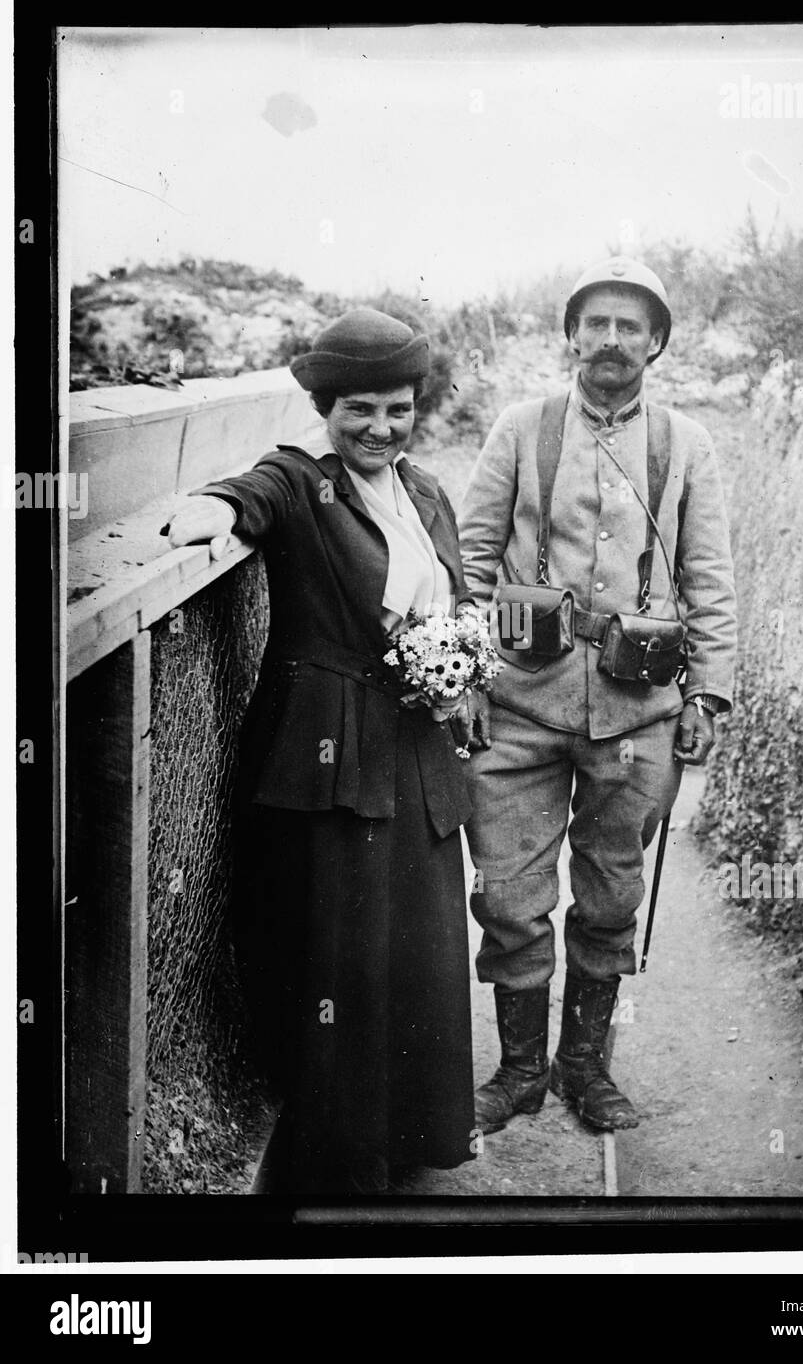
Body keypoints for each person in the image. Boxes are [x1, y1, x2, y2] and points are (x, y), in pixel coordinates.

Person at [165, 307, 476, 1193]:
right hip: (329, 750)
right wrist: (207, 510)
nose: (381, 429)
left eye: (399, 409)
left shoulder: (425, 492)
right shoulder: (301, 479)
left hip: (413, 745)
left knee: (417, 938)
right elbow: (248, 496)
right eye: (359, 410)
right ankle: (341, 1158)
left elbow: (451, 595)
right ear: (325, 407)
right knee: (342, 948)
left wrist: (459, 662)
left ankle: (416, 1131)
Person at [457, 258, 737, 1134]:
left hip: (638, 713)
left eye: (632, 326)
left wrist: (710, 696)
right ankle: (520, 1072)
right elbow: (469, 561)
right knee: (507, 896)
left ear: (656, 342)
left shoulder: (686, 443)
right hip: (519, 704)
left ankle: (586, 1066)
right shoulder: (521, 427)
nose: (612, 341)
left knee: (613, 898)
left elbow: (710, 580)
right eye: (598, 323)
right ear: (571, 333)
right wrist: (466, 676)